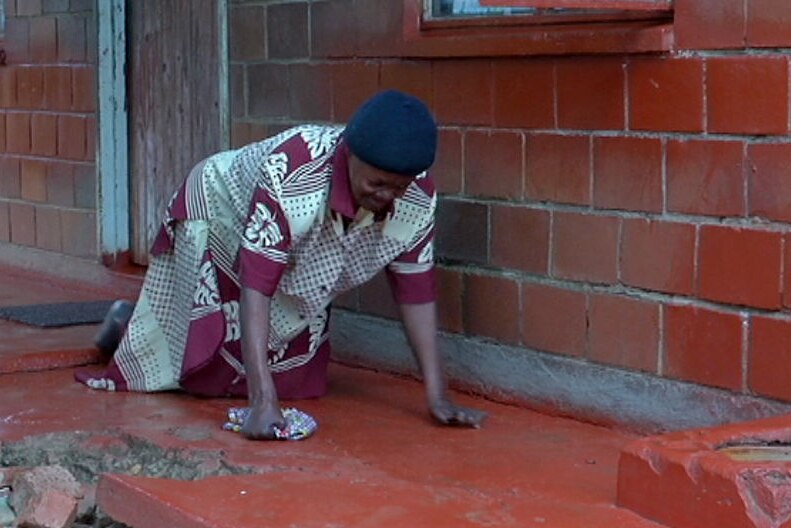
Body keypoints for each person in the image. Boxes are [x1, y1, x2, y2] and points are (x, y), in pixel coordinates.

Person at [77, 90, 487, 439]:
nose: (387, 197)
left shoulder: (415, 197)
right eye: (377, 183)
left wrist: (437, 395)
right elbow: (257, 281)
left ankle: (142, 326)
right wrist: (261, 402)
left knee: (299, 384)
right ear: (349, 155)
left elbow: (415, 291)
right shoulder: (294, 174)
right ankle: (129, 328)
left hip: (295, 232)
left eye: (399, 186)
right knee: (203, 370)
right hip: (220, 208)